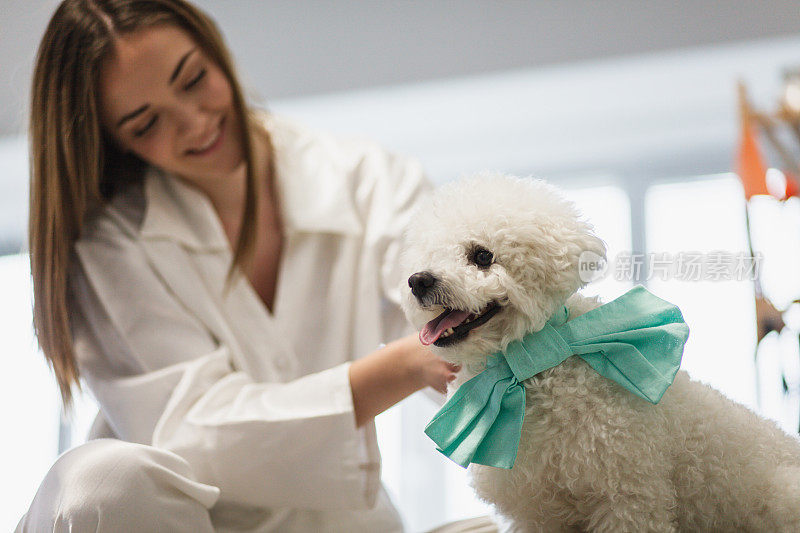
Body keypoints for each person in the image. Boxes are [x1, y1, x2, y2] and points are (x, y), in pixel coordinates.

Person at [16, 1, 486, 531]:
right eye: (146, 123)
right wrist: (399, 368)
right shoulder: (109, 249)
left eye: (194, 79)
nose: (194, 124)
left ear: (215, 49)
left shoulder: (366, 179)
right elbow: (195, 433)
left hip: (344, 522)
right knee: (98, 477)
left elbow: (455, 309)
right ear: (112, 140)